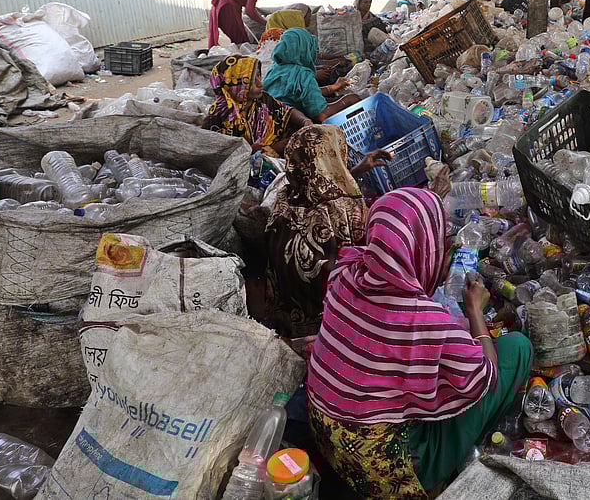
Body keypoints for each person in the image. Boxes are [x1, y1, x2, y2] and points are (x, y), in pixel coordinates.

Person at [307, 188, 532, 499]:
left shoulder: (345, 274)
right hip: (389, 469)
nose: (447, 255)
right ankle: (452, 460)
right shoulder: (424, 320)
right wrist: (475, 312)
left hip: (330, 441)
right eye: (442, 246)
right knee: (517, 348)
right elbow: (485, 377)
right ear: (421, 250)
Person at [265, 125, 390, 338]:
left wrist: (356, 171)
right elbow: (378, 250)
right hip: (330, 324)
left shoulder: (284, 198)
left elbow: (318, 185)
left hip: (287, 317)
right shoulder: (347, 209)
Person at [204, 55, 310, 156]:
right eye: (252, 81)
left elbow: (287, 111)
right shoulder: (219, 118)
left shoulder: (262, 100)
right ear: (235, 85)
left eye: (259, 76)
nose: (260, 84)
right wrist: (273, 148)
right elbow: (228, 159)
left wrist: (305, 121)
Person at [264, 27, 360, 122]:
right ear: (305, 49)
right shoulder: (302, 74)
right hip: (294, 126)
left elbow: (300, 93)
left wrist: (335, 87)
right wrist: (347, 100)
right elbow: (322, 115)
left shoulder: (274, 69)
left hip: (272, 122)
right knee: (354, 99)